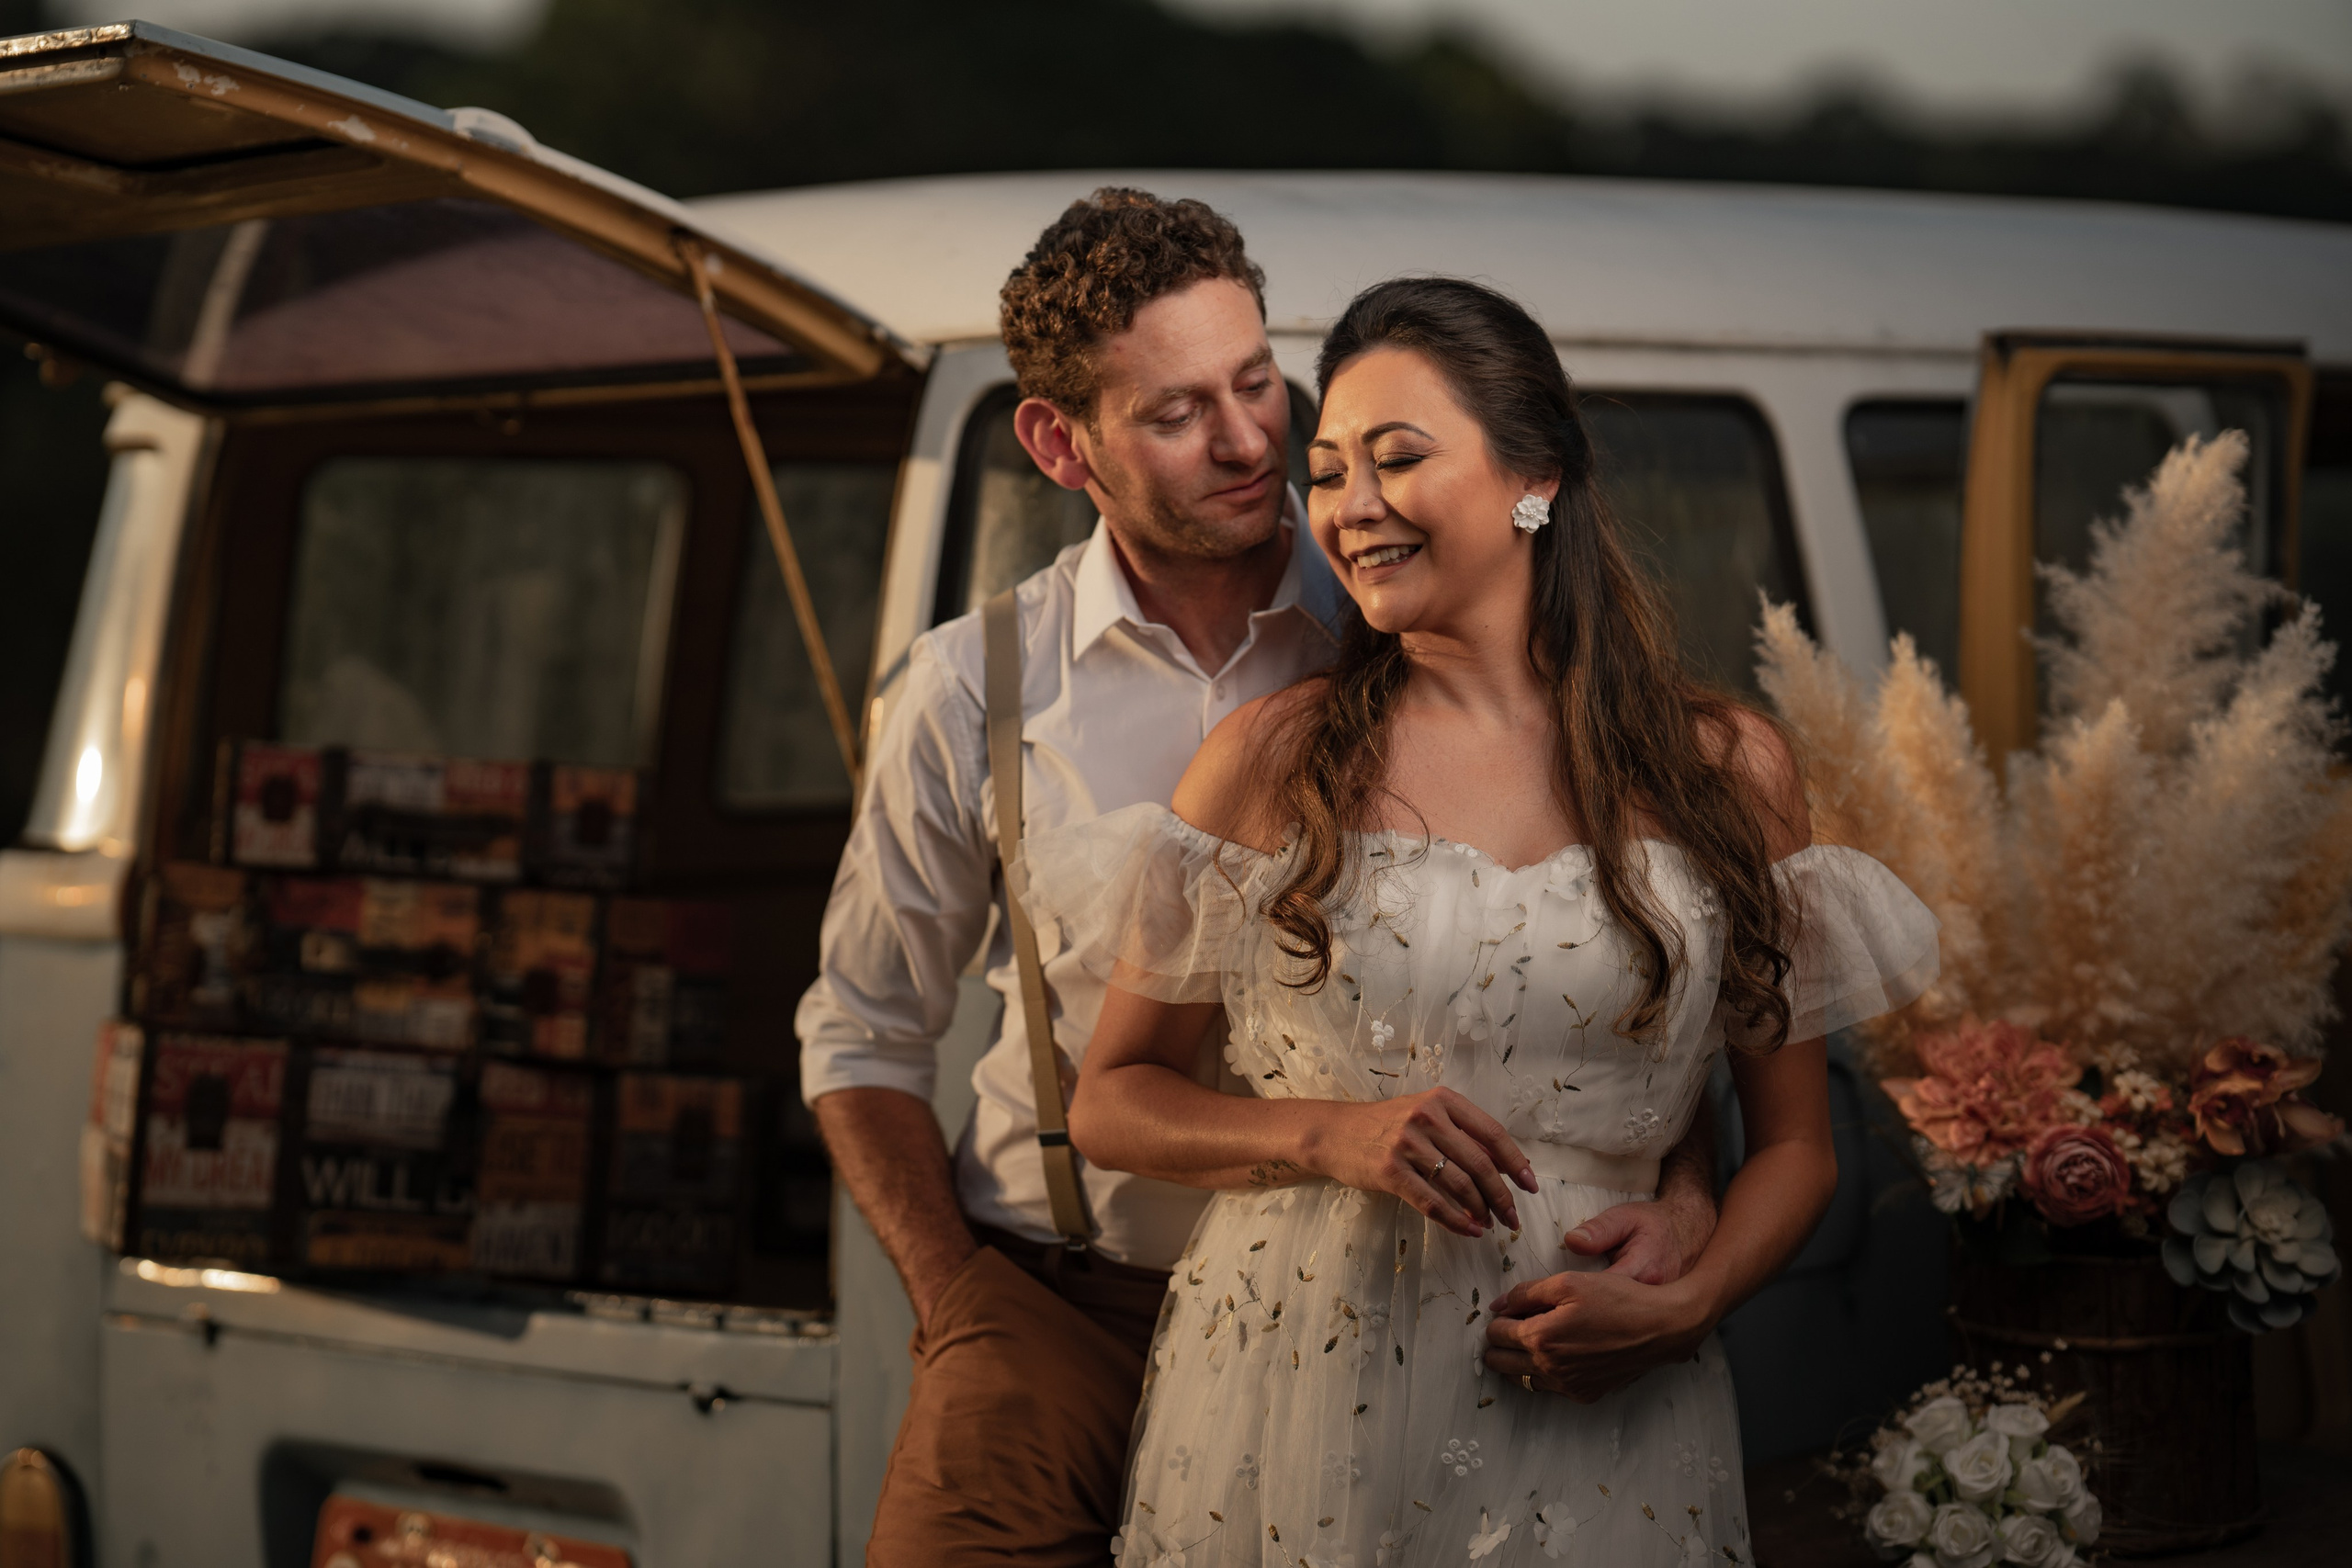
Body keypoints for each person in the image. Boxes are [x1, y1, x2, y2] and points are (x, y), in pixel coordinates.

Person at [797, 194, 1724, 1567]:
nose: (1250, 442)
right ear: (1062, 442)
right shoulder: (970, 689)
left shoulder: (1405, 601)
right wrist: (961, 1307)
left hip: (1380, 1319)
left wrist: (1692, 1189)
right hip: (1065, 1307)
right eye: (1177, 413)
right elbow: (861, 1033)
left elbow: (1600, 982)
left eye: (1256, 383)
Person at [1022, 276, 1940, 1564]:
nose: (1352, 508)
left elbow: (1794, 1149)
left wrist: (1693, 1301)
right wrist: (1331, 1133)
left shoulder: (1724, 768)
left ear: (1537, 479)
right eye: (1330, 471)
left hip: (1608, 1389)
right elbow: (1111, 1099)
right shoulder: (1271, 760)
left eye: (1398, 459)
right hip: (1294, 1373)